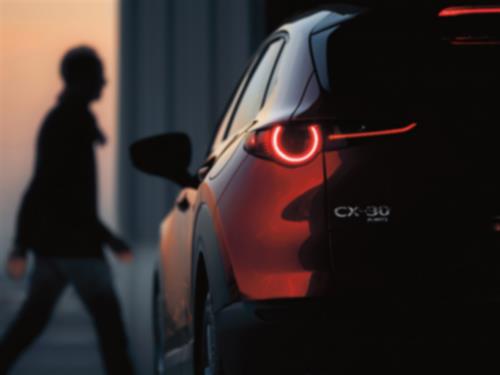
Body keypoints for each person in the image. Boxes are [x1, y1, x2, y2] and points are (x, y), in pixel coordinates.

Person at [0, 46, 135, 375]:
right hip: (78, 249)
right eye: (98, 76)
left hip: (55, 248)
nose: (104, 82)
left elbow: (45, 186)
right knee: (111, 331)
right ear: (81, 80)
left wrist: (23, 241)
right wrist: (108, 238)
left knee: (30, 323)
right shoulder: (68, 124)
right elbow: (53, 187)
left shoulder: (68, 121)